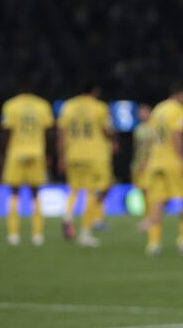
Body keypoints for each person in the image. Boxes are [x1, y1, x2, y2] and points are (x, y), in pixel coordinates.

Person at [143, 81, 183, 256]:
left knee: (158, 202)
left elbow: (149, 137)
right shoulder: (179, 110)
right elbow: (176, 135)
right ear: (181, 93)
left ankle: (153, 244)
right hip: (172, 162)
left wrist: (148, 160)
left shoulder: (158, 109)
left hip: (156, 161)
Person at [57, 81, 114, 247]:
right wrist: (113, 138)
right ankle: (85, 233)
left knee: (74, 188)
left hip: (73, 154)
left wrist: (61, 156)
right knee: (91, 192)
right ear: (95, 90)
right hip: (94, 154)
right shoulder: (99, 107)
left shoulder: (68, 106)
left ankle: (67, 215)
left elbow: (61, 133)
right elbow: (106, 129)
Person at [1, 82, 55, 245]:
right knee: (35, 194)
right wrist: (48, 154)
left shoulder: (10, 105)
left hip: (16, 152)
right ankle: (37, 235)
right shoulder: (42, 105)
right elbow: (49, 131)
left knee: (14, 193)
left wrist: (4, 152)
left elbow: (6, 130)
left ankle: (13, 235)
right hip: (37, 152)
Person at [131, 103, 154, 228]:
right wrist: (135, 163)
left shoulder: (153, 127)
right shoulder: (139, 128)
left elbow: (153, 148)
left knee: (148, 190)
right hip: (139, 164)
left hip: (149, 163)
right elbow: (137, 148)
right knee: (143, 191)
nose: (141, 114)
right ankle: (147, 217)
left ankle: (150, 218)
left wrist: (146, 162)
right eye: (140, 112)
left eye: (144, 112)